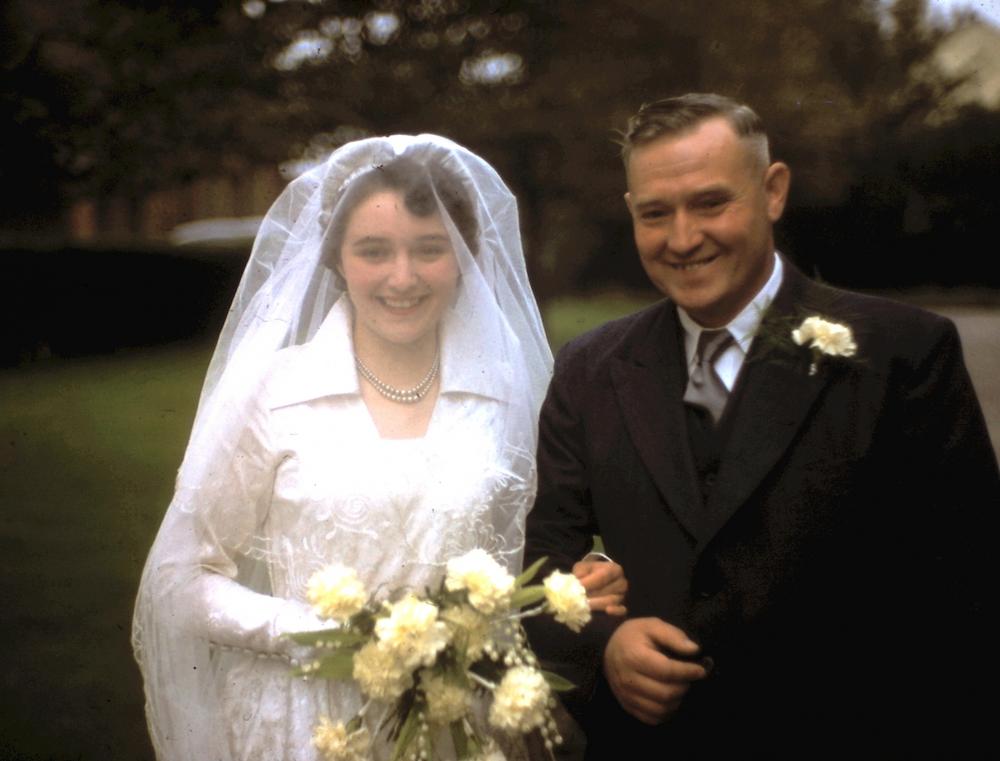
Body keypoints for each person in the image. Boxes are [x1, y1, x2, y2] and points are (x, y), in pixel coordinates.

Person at [523, 94, 999, 758]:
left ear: (773, 191)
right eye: (655, 213)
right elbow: (544, 566)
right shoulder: (588, 368)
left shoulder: (903, 353)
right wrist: (605, 647)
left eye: (711, 203)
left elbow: (967, 591)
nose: (683, 238)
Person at [132, 134, 623, 761]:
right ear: (335, 255)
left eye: (429, 250)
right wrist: (328, 634)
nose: (403, 277)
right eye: (373, 250)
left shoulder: (506, 393)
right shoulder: (276, 392)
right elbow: (181, 578)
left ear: (464, 255)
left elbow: (530, 551)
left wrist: (574, 585)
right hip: (303, 726)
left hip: (460, 721)